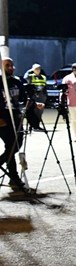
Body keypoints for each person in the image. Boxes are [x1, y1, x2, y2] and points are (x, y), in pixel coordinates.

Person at [0, 57, 43, 192]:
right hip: (3, 119)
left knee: (16, 145)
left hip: (16, 118)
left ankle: (11, 174)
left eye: (12, 66)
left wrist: (34, 104)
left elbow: (23, 99)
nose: (11, 68)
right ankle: (14, 177)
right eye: (7, 66)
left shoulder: (16, 82)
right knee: (11, 146)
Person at [62, 63, 76, 142]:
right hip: (72, 102)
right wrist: (62, 102)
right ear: (74, 69)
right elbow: (63, 91)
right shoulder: (68, 78)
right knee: (75, 120)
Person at [25, 63, 47, 129]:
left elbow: (45, 86)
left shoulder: (43, 76)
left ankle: (37, 124)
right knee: (33, 111)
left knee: (40, 111)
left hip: (42, 95)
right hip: (34, 95)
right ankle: (33, 125)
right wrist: (30, 70)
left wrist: (45, 95)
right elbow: (25, 77)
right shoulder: (30, 76)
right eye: (36, 69)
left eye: (39, 69)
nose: (38, 70)